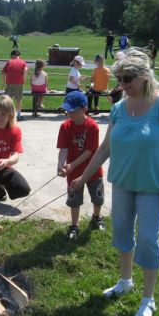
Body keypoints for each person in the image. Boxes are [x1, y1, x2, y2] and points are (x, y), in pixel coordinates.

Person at [70, 49, 159, 316]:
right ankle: (125, 281)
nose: (122, 84)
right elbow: (105, 148)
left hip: (152, 186)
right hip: (122, 183)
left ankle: (148, 299)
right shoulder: (120, 107)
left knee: (147, 238)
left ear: (145, 75)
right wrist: (83, 177)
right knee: (121, 233)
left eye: (128, 78)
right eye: (120, 79)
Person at [57, 91, 105, 240]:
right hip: (73, 172)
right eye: (67, 110)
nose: (69, 113)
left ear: (84, 109)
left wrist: (71, 164)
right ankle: (74, 225)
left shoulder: (92, 126)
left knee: (97, 197)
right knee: (74, 200)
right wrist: (61, 166)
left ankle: (96, 217)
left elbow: (90, 152)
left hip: (93, 171)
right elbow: (63, 149)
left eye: (73, 110)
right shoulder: (65, 126)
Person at [2, 49, 28, 121]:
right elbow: (25, 70)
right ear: (19, 56)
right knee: (19, 99)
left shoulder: (9, 62)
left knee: (7, 100)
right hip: (19, 83)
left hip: (9, 83)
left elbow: (3, 72)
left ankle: (7, 115)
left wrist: (4, 83)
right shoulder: (23, 62)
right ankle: (18, 115)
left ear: (12, 55)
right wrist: (24, 79)